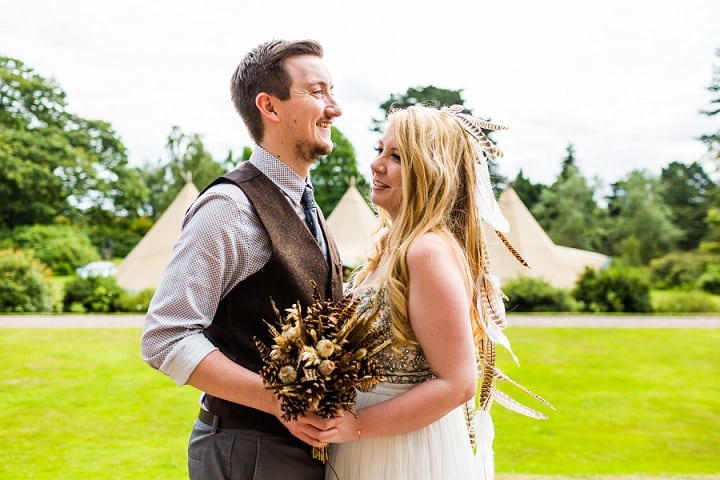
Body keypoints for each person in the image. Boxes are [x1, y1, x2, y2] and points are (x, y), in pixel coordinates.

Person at [141, 39, 345, 480]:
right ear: (270, 107)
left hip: (298, 450)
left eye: (333, 91)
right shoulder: (229, 208)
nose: (335, 108)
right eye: (318, 92)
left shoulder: (306, 203)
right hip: (248, 451)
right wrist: (277, 399)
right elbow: (165, 336)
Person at [320, 104, 513, 479]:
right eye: (379, 150)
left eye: (396, 156)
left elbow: (458, 383)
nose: (376, 164)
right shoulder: (391, 245)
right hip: (365, 443)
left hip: (404, 452)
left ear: (428, 170)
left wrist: (357, 425)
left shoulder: (426, 251)